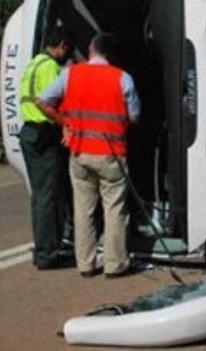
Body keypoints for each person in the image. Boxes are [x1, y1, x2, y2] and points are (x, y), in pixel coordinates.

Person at [37, 33, 140, 278]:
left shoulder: (70, 73)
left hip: (80, 152)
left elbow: (43, 102)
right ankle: (115, 265)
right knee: (114, 209)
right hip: (111, 154)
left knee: (83, 210)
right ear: (111, 54)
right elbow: (135, 117)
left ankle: (85, 264)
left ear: (91, 50)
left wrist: (65, 121)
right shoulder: (123, 78)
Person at [18, 26, 74, 270]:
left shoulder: (33, 63)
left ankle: (47, 244)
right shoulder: (50, 67)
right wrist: (66, 124)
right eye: (66, 49)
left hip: (29, 132)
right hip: (44, 134)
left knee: (41, 195)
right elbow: (52, 101)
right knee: (48, 197)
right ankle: (47, 253)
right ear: (60, 45)